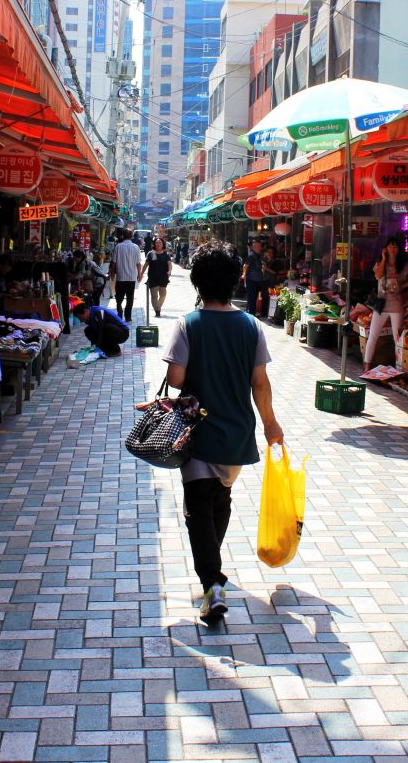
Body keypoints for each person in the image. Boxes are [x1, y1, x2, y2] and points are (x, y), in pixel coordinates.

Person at [163, 241, 283, 623]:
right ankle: (212, 570)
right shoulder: (251, 325)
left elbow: (175, 377)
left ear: (197, 282)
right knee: (220, 501)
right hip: (237, 434)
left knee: (198, 510)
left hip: (198, 433)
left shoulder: (189, 323)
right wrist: (271, 424)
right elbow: (259, 383)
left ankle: (212, 584)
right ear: (236, 280)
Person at [365, 236, 408, 366]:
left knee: (397, 338)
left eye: (395, 246)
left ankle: (398, 367)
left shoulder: (403, 266)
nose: (392, 248)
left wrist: (404, 286)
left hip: (396, 306)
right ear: (385, 248)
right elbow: (378, 275)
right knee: (373, 336)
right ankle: (367, 365)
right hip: (380, 305)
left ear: (398, 249)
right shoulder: (380, 263)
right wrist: (384, 258)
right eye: (390, 246)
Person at [111, 230, 144, 321]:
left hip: (120, 277)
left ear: (122, 236)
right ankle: (128, 316)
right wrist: (139, 274)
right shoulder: (136, 247)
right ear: (132, 236)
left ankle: (119, 308)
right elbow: (138, 263)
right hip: (131, 277)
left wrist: (112, 273)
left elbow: (114, 261)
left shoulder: (118, 246)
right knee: (130, 298)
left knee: (119, 296)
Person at [145, 237, 172, 317]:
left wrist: (169, 271)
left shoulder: (166, 254)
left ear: (163, 244)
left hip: (163, 276)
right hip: (152, 276)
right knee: (154, 296)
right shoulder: (151, 253)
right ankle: (157, 311)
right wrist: (140, 273)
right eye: (156, 242)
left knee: (163, 294)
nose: (158, 244)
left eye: (160, 242)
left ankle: (158, 308)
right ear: (154, 244)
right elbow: (146, 264)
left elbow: (169, 264)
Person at [241, 240, 269, 316]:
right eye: (259, 246)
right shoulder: (251, 255)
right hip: (251, 280)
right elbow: (245, 266)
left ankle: (251, 313)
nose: (260, 248)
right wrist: (244, 275)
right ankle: (251, 314)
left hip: (257, 280)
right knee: (251, 298)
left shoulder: (259, 255)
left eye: (260, 246)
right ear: (254, 247)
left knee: (254, 298)